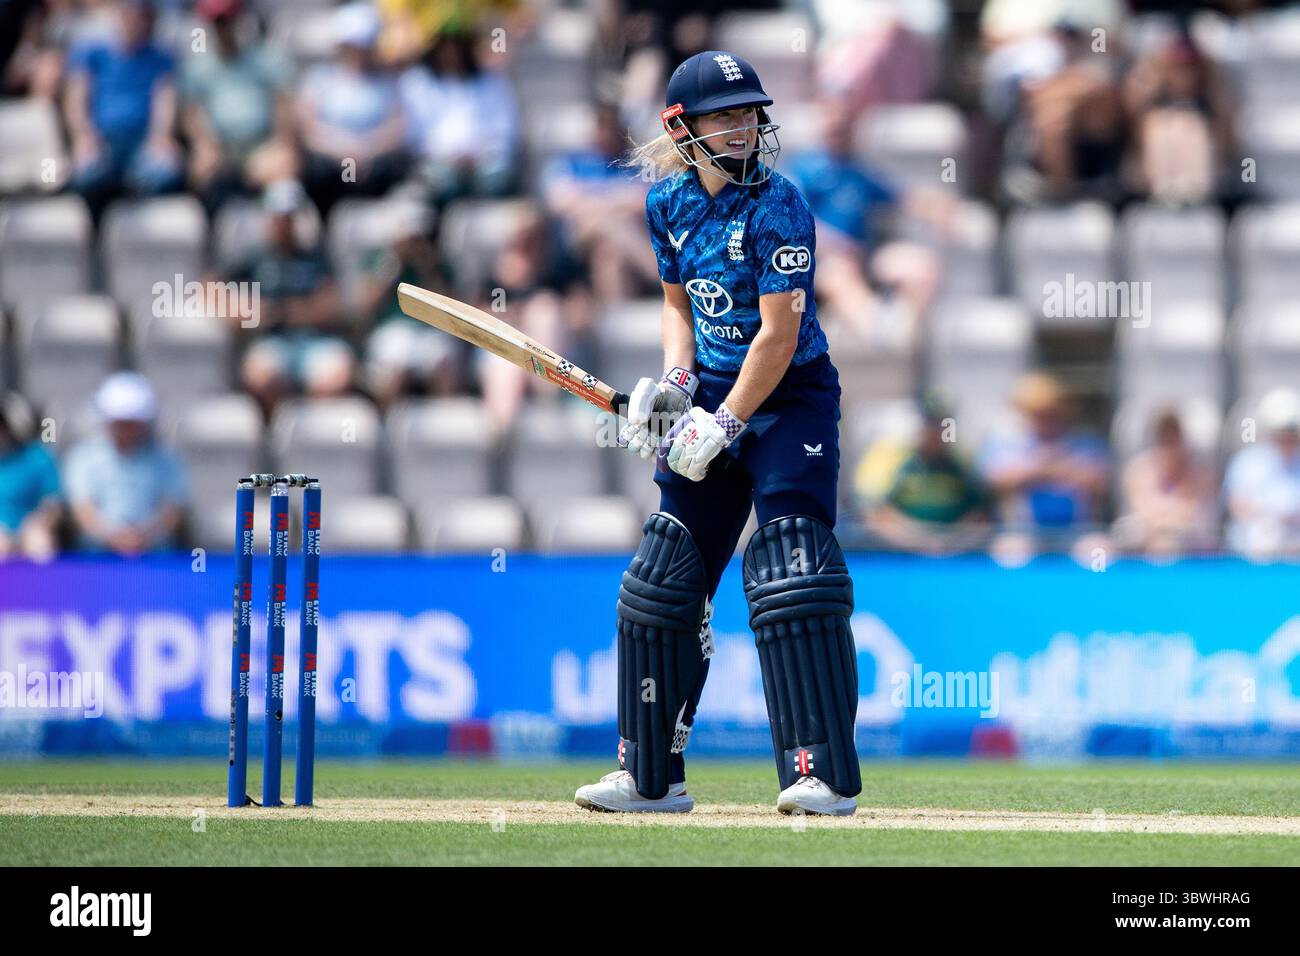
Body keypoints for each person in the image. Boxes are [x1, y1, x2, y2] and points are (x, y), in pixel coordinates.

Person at [573, 51, 862, 817]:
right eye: (725, 115)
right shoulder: (667, 203)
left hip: (788, 400)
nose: (744, 127)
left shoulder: (780, 205)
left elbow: (776, 335)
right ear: (682, 126)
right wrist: (673, 384)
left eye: (749, 113)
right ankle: (650, 778)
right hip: (710, 398)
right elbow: (680, 308)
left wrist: (727, 420)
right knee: (662, 578)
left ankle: (820, 774)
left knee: (791, 569)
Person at [222, 180, 353, 410]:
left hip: (315, 341)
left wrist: (283, 312)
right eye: (279, 216)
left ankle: (310, 436)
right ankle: (278, 436)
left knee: (333, 379)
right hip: (272, 341)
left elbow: (331, 308)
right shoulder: (254, 259)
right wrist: (242, 309)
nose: (284, 224)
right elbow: (212, 286)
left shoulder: (316, 258)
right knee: (262, 378)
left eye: (289, 217)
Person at [63, 0, 183, 215]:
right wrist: (83, 136)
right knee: (86, 176)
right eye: (133, 14)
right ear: (120, 15)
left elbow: (165, 100)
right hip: (102, 142)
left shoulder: (161, 59)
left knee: (166, 173)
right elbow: (76, 99)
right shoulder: (93, 53)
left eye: (144, 15)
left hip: (141, 145)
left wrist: (161, 136)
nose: (138, 21)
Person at [180, 0, 297, 212]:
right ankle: (213, 238)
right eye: (218, 22)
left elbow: (283, 104)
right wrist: (204, 144)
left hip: (261, 146)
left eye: (228, 20)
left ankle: (276, 240)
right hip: (220, 149)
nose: (223, 28)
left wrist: (281, 143)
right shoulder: (197, 64)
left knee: (283, 169)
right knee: (202, 172)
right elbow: (191, 112)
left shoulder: (266, 57)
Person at [297, 2, 407, 217]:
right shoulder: (319, 79)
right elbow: (308, 128)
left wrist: (366, 149)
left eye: (363, 45)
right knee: (318, 172)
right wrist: (341, 150)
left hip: (373, 162)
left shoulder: (387, 84)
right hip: (331, 162)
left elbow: (396, 129)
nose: (358, 52)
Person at [978, 372, 1110, 550]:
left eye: (1051, 410)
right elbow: (996, 480)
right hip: (1021, 532)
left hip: (1078, 531)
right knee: (1010, 554)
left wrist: (1042, 469)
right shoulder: (1005, 441)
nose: (1045, 417)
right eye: (1038, 411)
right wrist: (1048, 468)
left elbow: (1098, 481)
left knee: (1099, 552)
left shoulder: (1085, 441)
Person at [64, 373, 189, 556]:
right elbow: (82, 512)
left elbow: (173, 510)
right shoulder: (83, 457)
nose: (126, 428)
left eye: (132, 422)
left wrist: (145, 536)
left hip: (156, 557)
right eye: (120, 422)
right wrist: (114, 537)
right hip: (96, 557)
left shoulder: (166, 458)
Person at [865, 393, 991, 553]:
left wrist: (950, 542)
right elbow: (875, 514)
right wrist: (919, 541)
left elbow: (982, 514)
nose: (936, 430)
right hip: (899, 558)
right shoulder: (891, 458)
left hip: (955, 557)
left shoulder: (962, 460)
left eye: (943, 423)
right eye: (929, 422)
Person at [1114, 408, 1217, 556]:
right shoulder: (1137, 470)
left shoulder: (1201, 472)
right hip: (1145, 538)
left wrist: (1166, 518)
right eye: (1164, 436)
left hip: (1189, 541)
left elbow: (1192, 512)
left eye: (1174, 435)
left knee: (1165, 547)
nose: (1169, 442)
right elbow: (1143, 512)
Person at [1225, 387, 1300, 559]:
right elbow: (1237, 505)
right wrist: (1271, 520)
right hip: (1255, 546)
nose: (1287, 437)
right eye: (1281, 431)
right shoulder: (1248, 462)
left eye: (1291, 431)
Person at [0, 392, 61, 562]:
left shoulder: (38, 457)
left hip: (30, 530)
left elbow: (53, 502)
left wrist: (40, 521)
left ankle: (44, 587)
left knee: (39, 542)